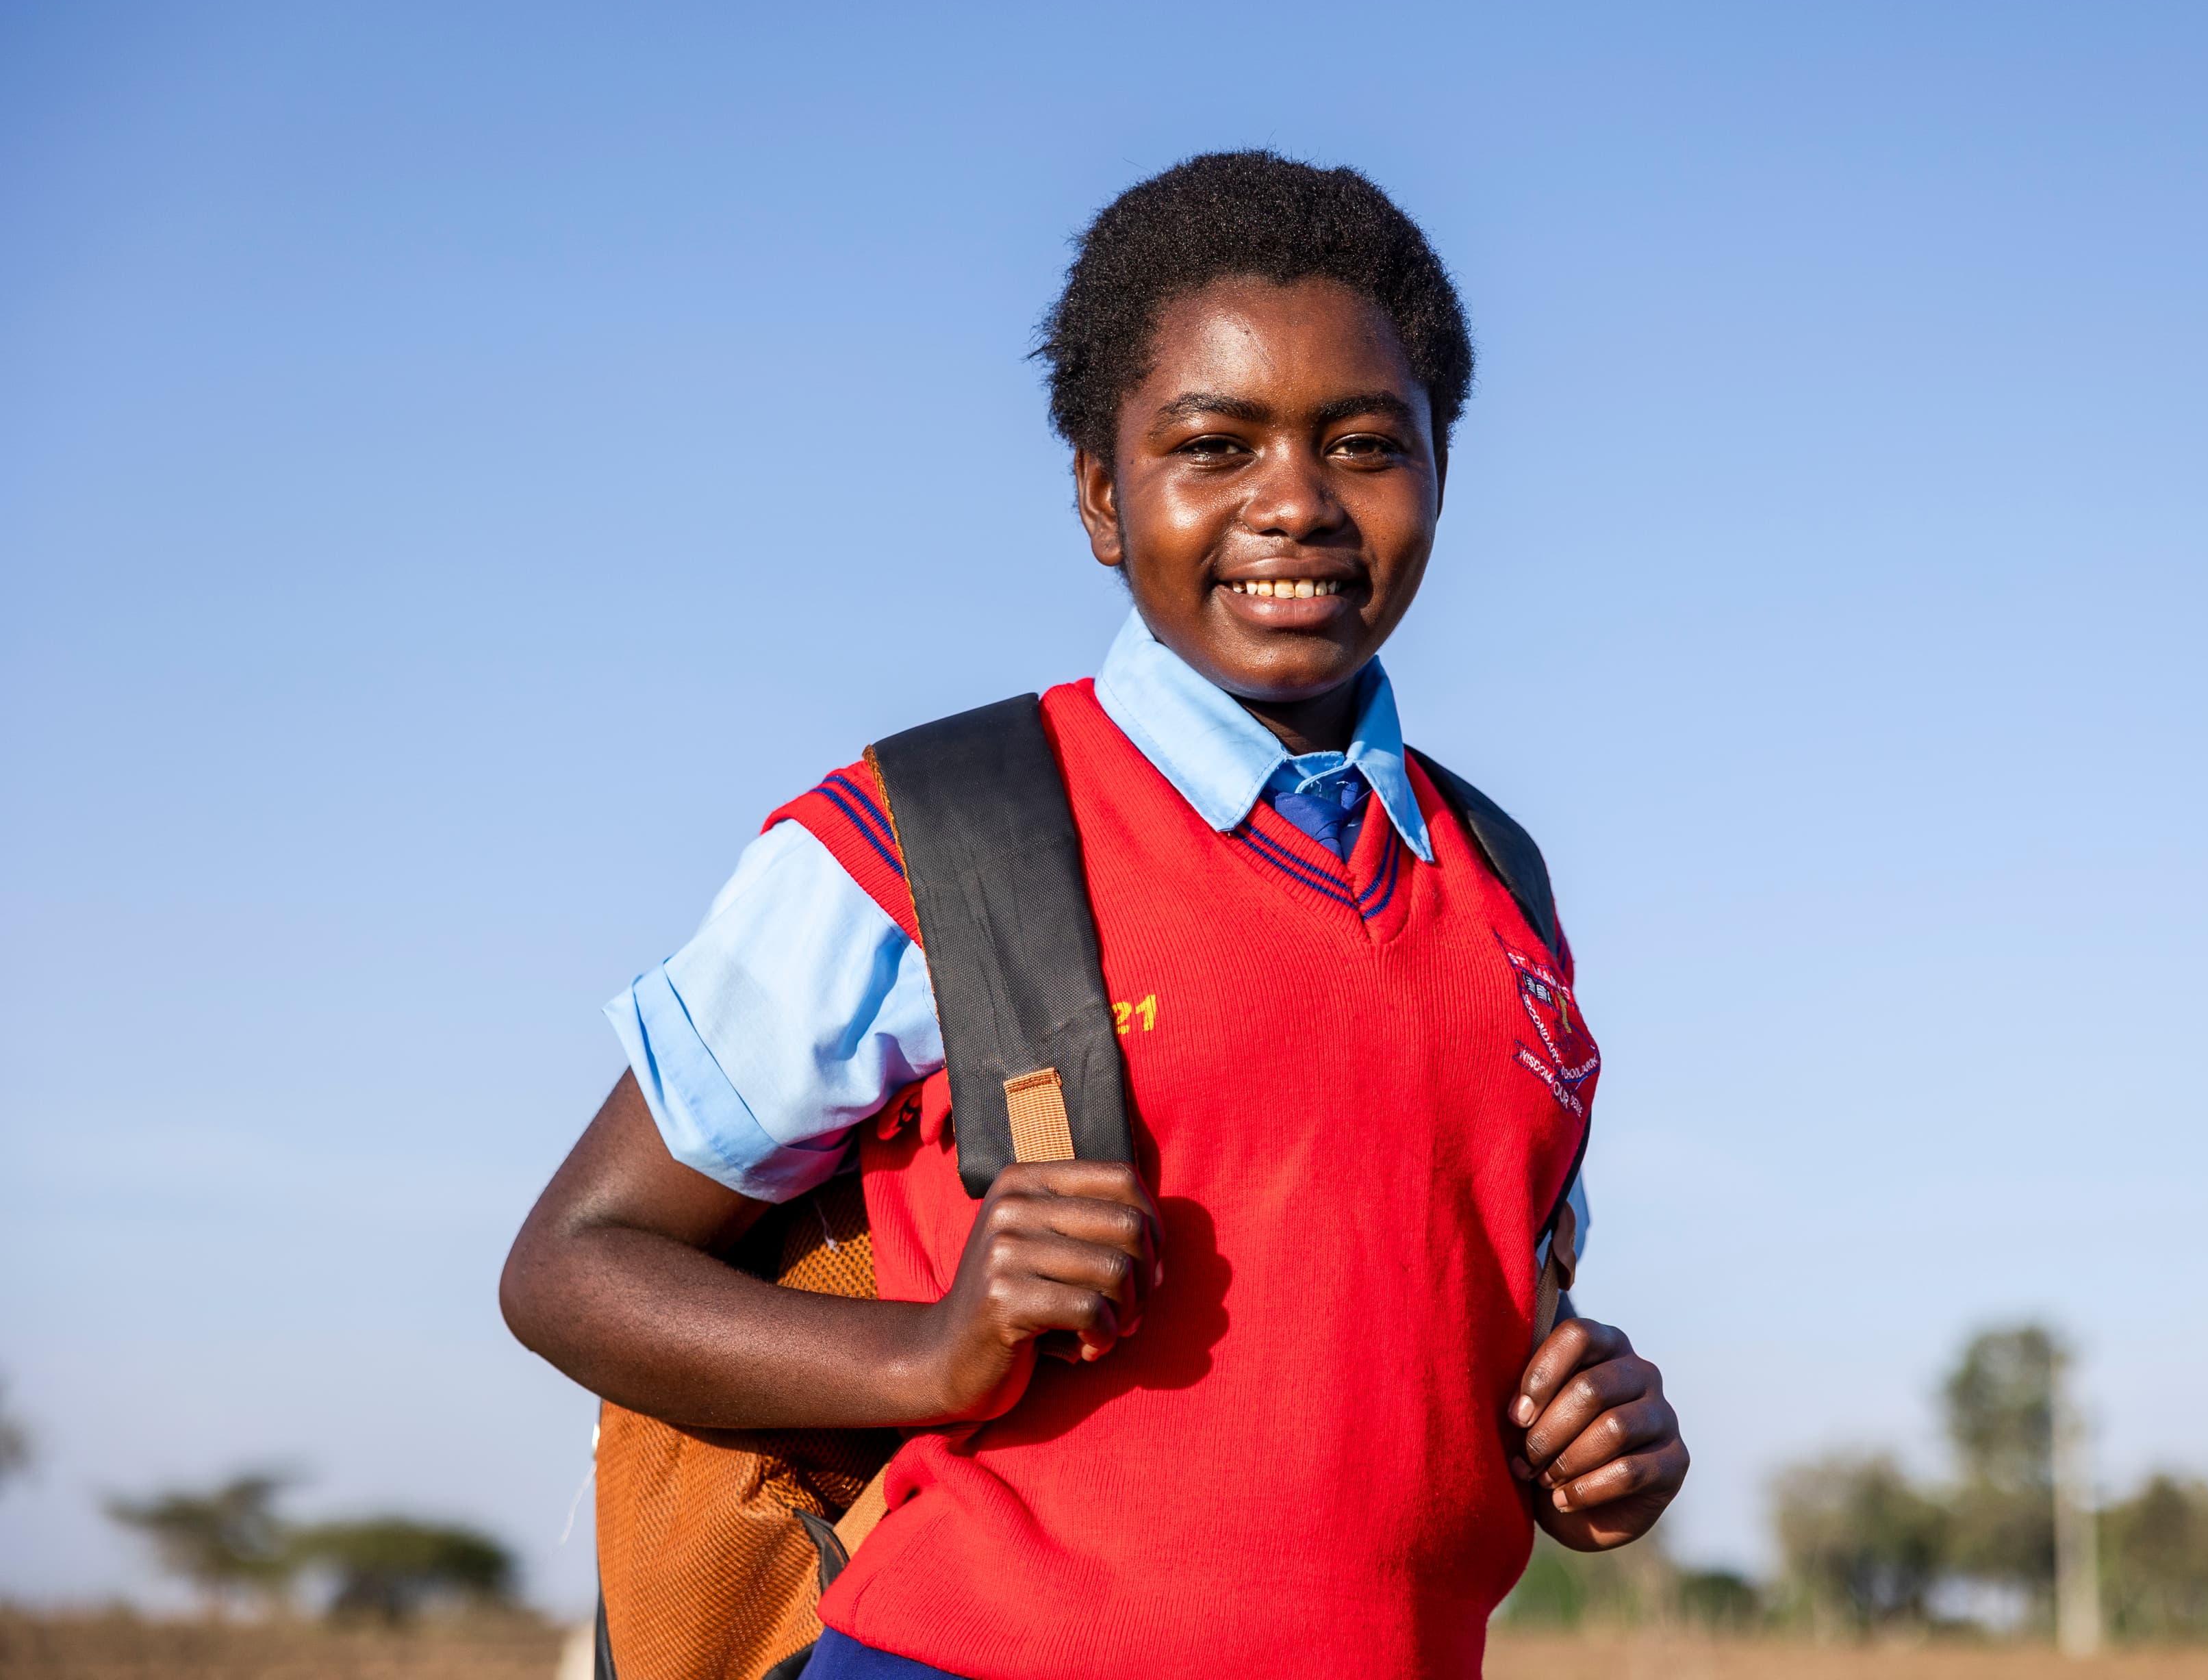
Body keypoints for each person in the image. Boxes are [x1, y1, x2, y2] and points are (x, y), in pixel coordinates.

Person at [500, 149, 1687, 1680]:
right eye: (1213, 444)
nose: (1295, 502)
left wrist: (1584, 1445)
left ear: (1441, 469)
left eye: (1365, 442)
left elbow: (1480, 1322)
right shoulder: (942, 830)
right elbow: (573, 1262)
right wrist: (928, 1350)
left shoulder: (1502, 885)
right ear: (1098, 494)